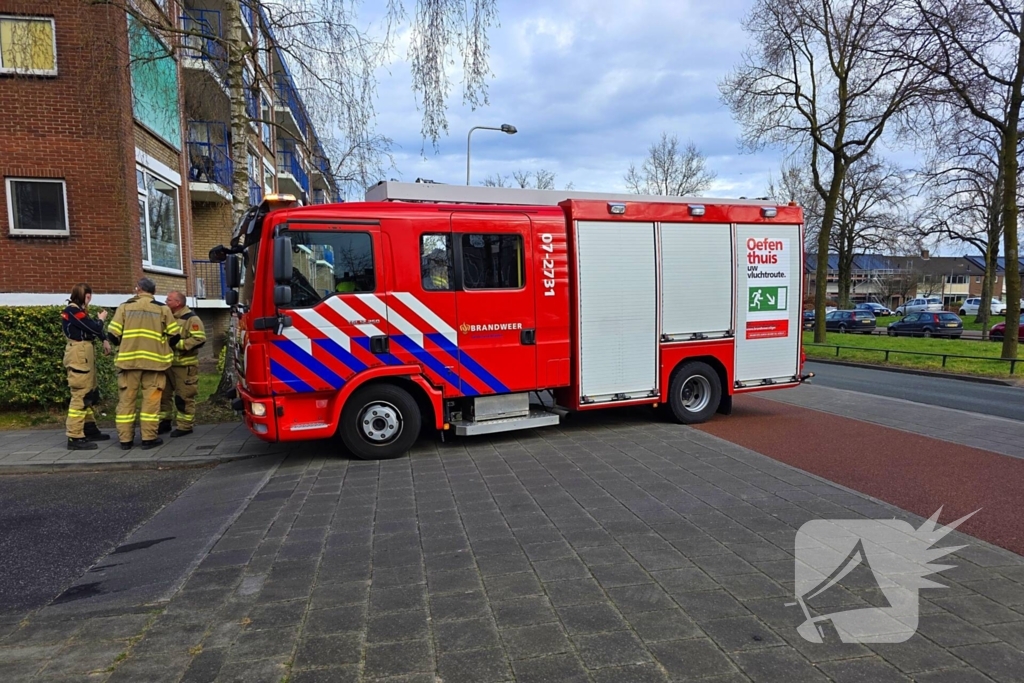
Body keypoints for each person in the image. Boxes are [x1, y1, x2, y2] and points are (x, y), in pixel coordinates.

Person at [106, 278, 181, 450]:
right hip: (154, 364)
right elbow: (175, 336)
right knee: (151, 403)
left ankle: (125, 440)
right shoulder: (162, 309)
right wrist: (162, 346)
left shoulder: (124, 307)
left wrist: (125, 345)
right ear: (153, 291)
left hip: (129, 363)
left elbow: (112, 335)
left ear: (138, 289)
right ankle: (148, 438)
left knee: (126, 402)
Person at [62, 283, 112, 450]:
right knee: (81, 394)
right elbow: (93, 327)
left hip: (84, 353)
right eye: (88, 296)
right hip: (79, 353)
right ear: (81, 295)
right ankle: (74, 436)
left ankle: (89, 428)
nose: (89, 299)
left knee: (89, 392)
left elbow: (92, 329)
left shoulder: (79, 311)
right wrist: (101, 319)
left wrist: (104, 339)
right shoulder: (72, 311)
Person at [158, 291, 206, 438]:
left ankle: (185, 426)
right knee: (163, 396)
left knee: (183, 397)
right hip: (167, 365)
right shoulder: (167, 317)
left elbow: (199, 339)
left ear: (178, 303)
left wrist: (177, 344)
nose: (166, 302)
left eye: (169, 300)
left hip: (184, 367)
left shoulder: (191, 319)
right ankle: (164, 422)